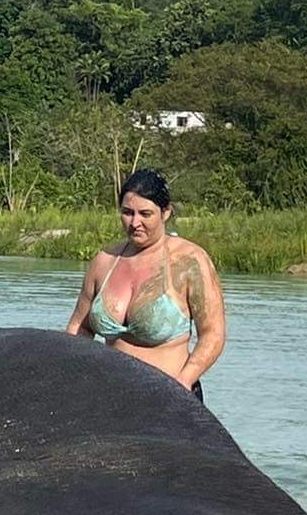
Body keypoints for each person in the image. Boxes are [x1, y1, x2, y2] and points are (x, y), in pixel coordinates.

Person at [66, 168, 225, 397]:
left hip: (171, 395)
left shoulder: (190, 261)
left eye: (145, 214)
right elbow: (79, 328)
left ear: (165, 213)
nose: (135, 223)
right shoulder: (104, 261)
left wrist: (183, 382)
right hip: (110, 396)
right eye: (127, 212)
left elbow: (213, 334)